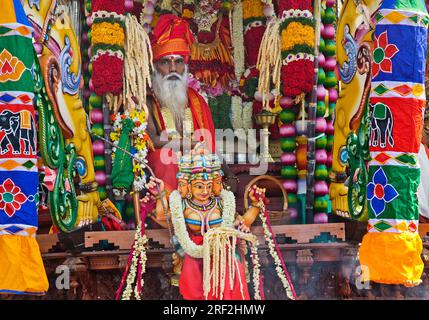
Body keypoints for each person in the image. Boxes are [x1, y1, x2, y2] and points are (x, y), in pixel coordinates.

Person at [143, 147, 266, 300]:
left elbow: (240, 223)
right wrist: (160, 194)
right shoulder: (183, 204)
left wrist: (255, 205)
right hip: (194, 251)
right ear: (188, 185)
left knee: (234, 269)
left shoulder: (222, 203)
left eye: (209, 186)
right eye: (199, 186)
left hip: (221, 250)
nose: (205, 191)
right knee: (193, 276)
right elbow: (163, 217)